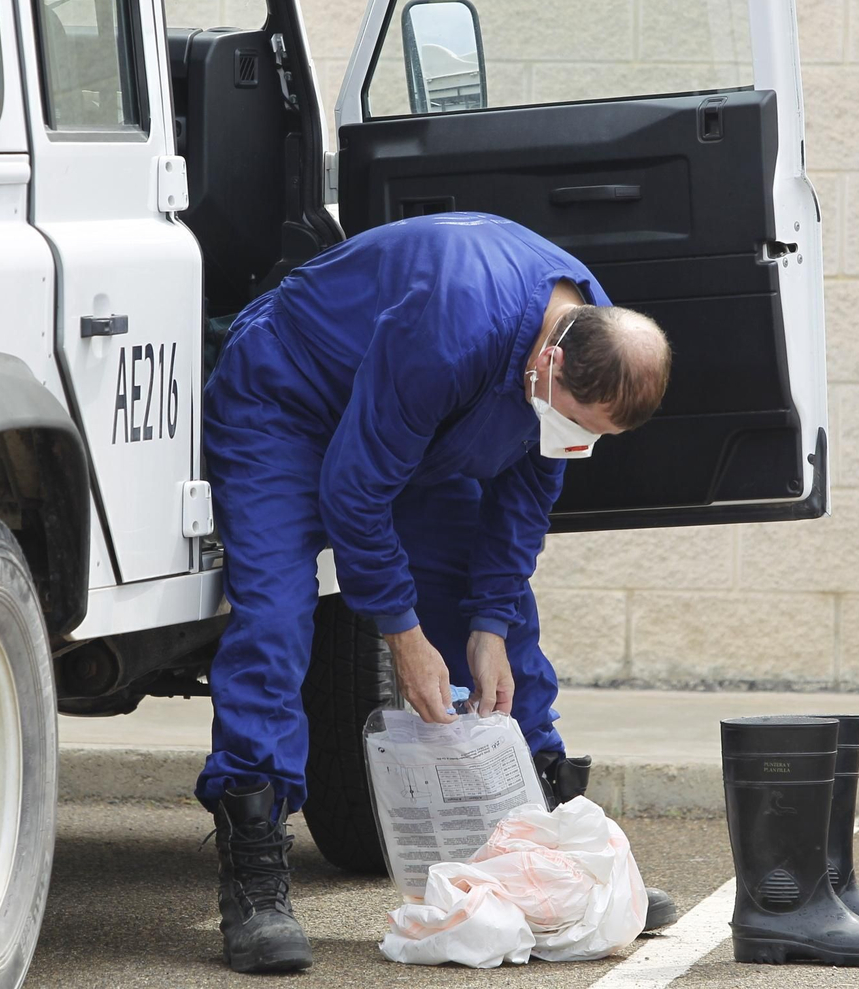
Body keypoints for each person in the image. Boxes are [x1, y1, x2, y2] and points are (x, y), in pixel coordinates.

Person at [198, 212, 674, 973]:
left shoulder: (589, 332)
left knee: (505, 632)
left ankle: (550, 843)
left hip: (417, 423)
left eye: (592, 434)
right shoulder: (454, 327)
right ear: (548, 361)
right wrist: (404, 633)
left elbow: (526, 493)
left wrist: (487, 622)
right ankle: (254, 871)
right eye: (571, 421)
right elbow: (355, 491)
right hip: (289, 399)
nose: (575, 439)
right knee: (276, 616)